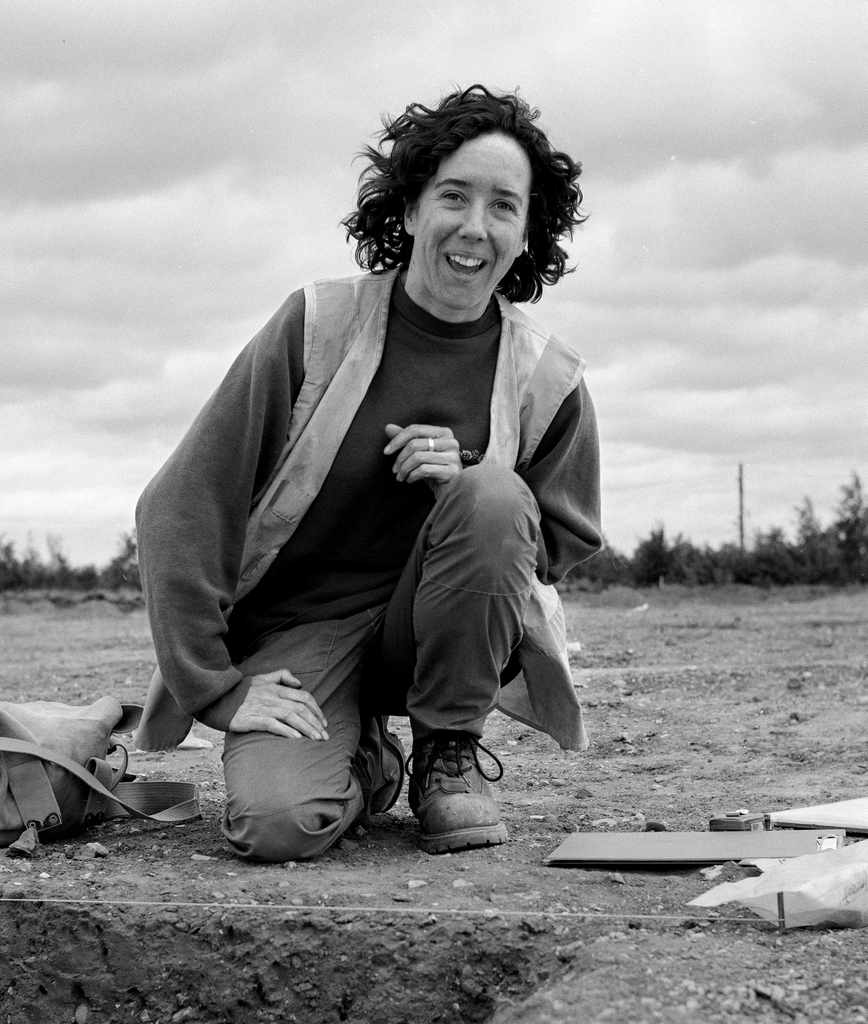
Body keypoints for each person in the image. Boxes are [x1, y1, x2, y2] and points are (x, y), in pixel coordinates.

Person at [133, 84, 602, 863]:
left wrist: (467, 483)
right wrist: (216, 687)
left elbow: (554, 542)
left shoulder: (548, 376)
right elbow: (180, 506)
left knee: (492, 494)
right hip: (299, 635)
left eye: (503, 207)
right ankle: (368, 762)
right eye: (453, 196)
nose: (474, 226)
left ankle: (446, 752)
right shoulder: (315, 325)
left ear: (527, 234)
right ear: (410, 209)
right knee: (276, 827)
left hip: (436, 640)